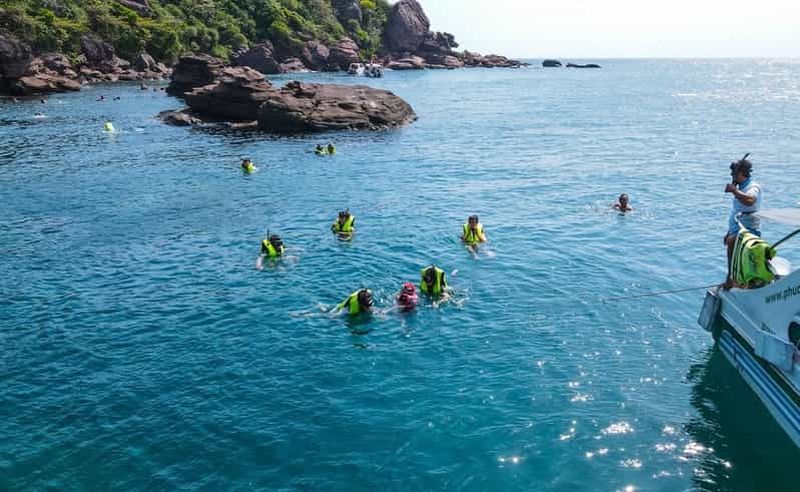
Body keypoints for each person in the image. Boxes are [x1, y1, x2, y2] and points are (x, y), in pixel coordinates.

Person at [723, 153, 763, 288]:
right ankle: (735, 280)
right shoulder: (741, 188)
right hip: (737, 230)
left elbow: (750, 200)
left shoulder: (753, 186)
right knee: (730, 241)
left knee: (732, 242)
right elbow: (736, 212)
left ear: (741, 173)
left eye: (733, 173)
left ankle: (732, 280)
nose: (731, 176)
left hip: (748, 231)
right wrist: (729, 231)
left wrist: (734, 191)